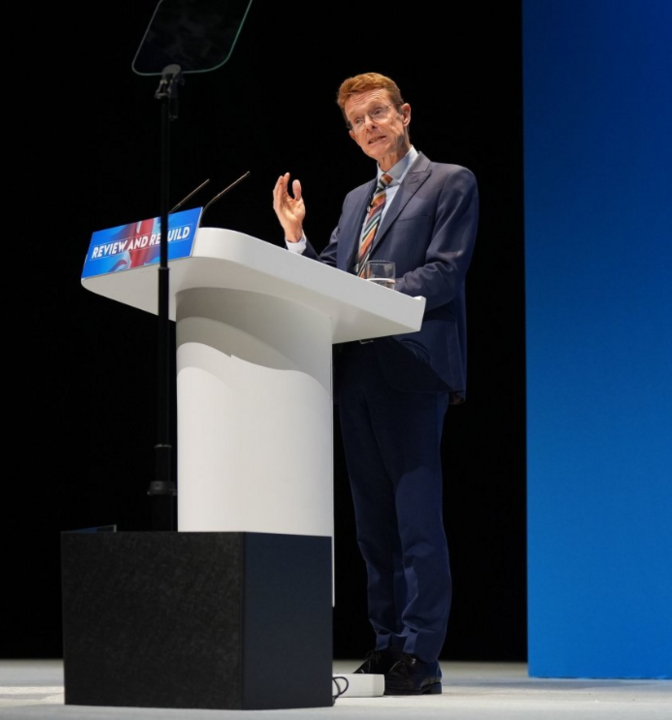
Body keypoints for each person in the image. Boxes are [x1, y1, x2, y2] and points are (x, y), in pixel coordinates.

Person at [271, 72, 478, 696]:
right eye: (357, 122)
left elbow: (444, 273)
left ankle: (422, 656)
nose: (369, 127)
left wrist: (377, 292)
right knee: (372, 528)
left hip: (412, 368)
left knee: (415, 521)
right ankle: (387, 646)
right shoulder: (357, 198)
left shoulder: (449, 182)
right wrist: (296, 237)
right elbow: (329, 278)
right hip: (357, 372)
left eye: (378, 114)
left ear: (405, 113)